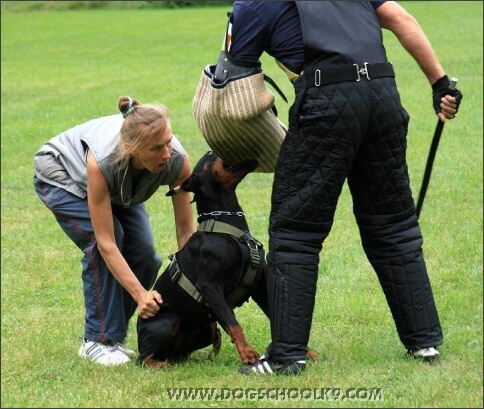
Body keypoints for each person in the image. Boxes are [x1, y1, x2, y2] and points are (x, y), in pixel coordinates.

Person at [214, 1, 463, 375]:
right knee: (394, 225)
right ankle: (424, 342)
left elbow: (233, 76)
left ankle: (286, 357)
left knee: (295, 230)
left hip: (325, 100)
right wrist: (440, 83)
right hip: (383, 96)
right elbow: (400, 18)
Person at [34, 96, 195, 366]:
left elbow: (186, 229)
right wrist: (141, 294)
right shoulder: (103, 161)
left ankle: (112, 339)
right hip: (61, 174)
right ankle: (97, 340)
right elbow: (106, 242)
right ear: (131, 147)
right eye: (157, 148)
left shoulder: (177, 161)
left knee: (146, 256)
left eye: (168, 141)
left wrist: (192, 283)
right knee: (107, 241)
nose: (166, 154)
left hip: (118, 189)